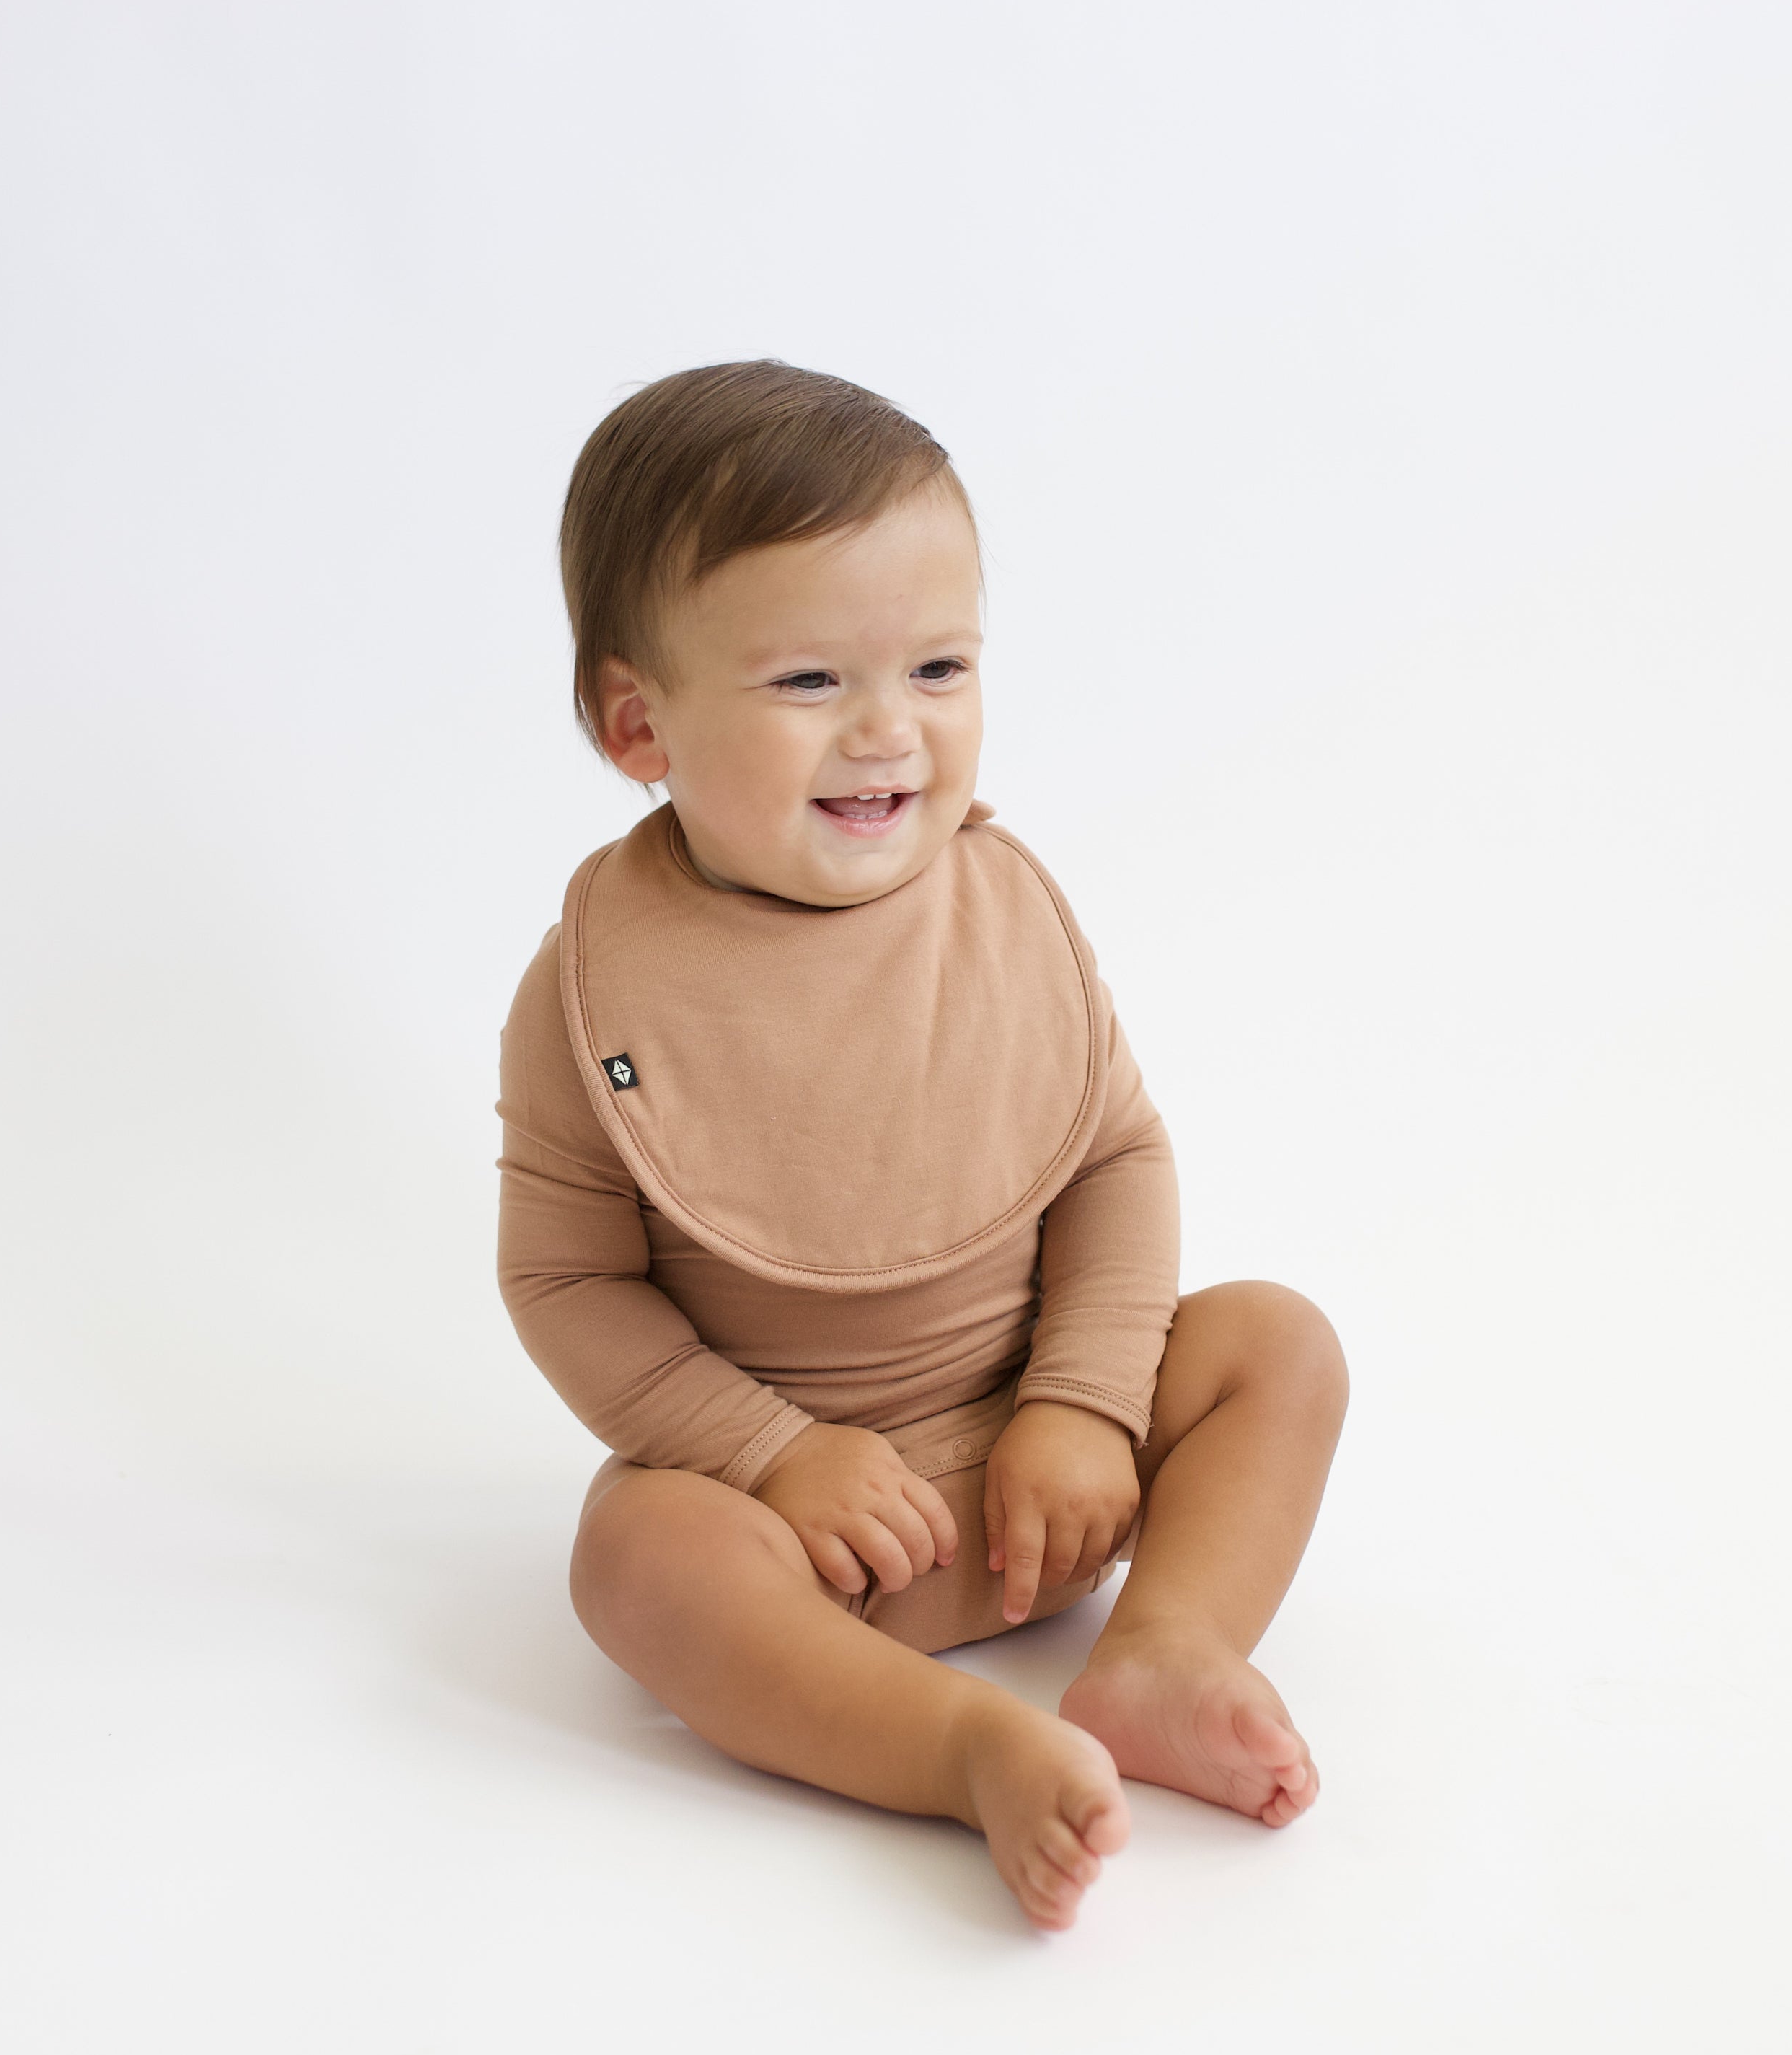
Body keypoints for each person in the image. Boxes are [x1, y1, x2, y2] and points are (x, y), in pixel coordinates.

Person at [498, 361, 1348, 1929]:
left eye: (940, 666)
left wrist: (1087, 1402)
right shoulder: (588, 991)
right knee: (634, 1553)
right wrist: (773, 1454)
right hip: (803, 1530)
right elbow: (567, 1286)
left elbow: (1114, 1165)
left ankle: (1162, 1649)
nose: (890, 732)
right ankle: (952, 1747)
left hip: (1055, 1482)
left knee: (1273, 1345)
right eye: (810, 683)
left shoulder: (1003, 914)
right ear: (639, 721)